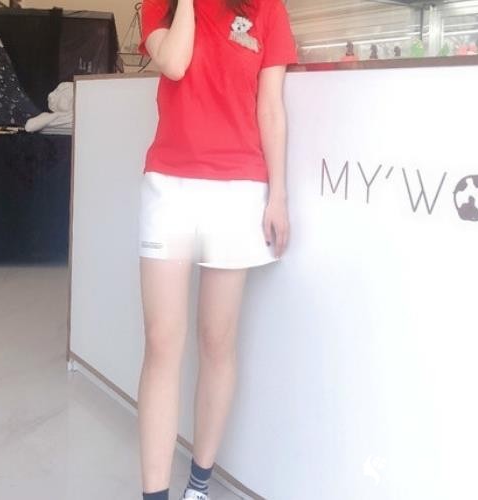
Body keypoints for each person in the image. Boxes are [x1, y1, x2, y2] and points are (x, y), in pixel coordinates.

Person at [136, 1, 298, 499]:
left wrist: (278, 195)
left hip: (239, 190)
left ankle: (199, 485)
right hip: (169, 186)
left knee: (216, 340)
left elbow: (270, 107)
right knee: (162, 342)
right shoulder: (160, 6)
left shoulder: (267, 8)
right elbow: (174, 63)